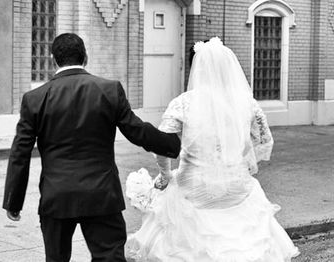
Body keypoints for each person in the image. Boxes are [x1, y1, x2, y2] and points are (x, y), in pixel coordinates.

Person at [2, 33, 181, 262]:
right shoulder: (109, 90)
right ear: (86, 57)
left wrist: (13, 202)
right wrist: (174, 144)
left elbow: (20, 152)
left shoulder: (35, 98)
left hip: (57, 197)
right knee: (110, 258)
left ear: (53, 59)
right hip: (102, 194)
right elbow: (137, 131)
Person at [125, 37, 300, 261]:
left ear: (194, 68)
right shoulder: (247, 102)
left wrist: (166, 174)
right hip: (238, 188)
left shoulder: (184, 103)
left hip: (194, 188)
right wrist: (237, 158)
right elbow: (263, 140)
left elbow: (162, 144)